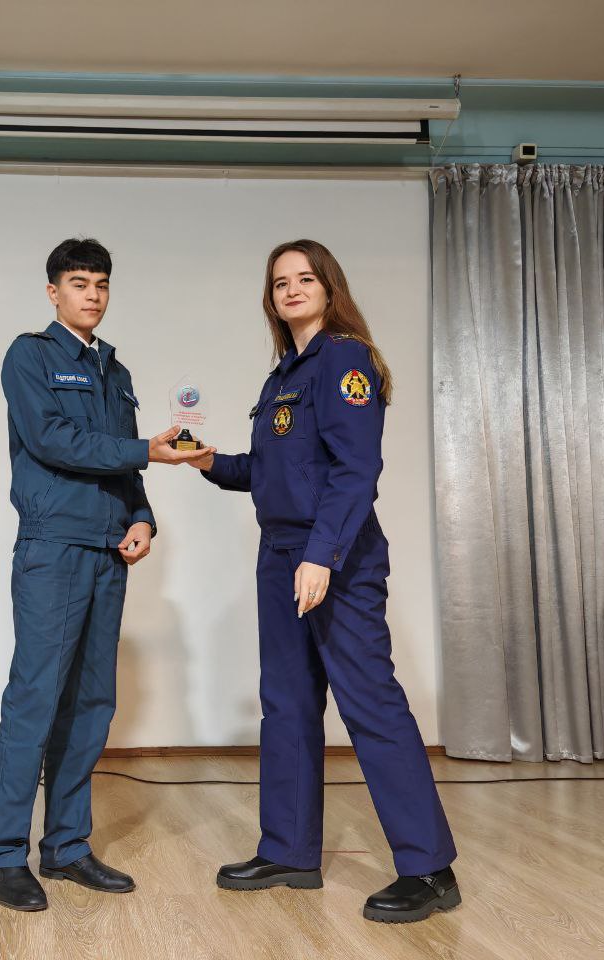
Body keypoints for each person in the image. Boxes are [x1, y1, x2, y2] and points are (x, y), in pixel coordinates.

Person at [189, 239, 460, 923]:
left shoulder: (344, 359)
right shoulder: (282, 375)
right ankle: (289, 851)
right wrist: (209, 461)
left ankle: (430, 869)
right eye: (280, 281)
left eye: (305, 278)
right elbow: (273, 471)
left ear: (329, 288)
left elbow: (355, 469)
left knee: (370, 704)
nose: (292, 289)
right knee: (285, 704)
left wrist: (323, 555)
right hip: (280, 554)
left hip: (334, 555)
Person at [0, 238, 213, 911]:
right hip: (54, 548)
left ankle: (66, 847)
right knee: (36, 698)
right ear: (53, 292)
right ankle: (4, 857)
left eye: (102, 284)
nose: (92, 295)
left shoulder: (114, 368)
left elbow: (123, 463)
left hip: (110, 551)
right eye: (79, 283)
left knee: (91, 703)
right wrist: (146, 450)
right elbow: (52, 439)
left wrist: (142, 515)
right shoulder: (29, 356)